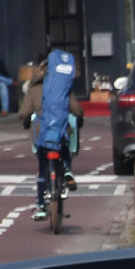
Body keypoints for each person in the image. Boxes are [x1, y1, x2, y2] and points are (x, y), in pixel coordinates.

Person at [31, 46, 84, 217]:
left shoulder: (33, 90)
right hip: (59, 131)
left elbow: (22, 113)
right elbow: (76, 110)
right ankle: (67, 168)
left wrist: (26, 121)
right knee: (65, 143)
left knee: (41, 168)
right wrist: (79, 116)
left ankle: (40, 205)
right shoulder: (63, 89)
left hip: (41, 135)